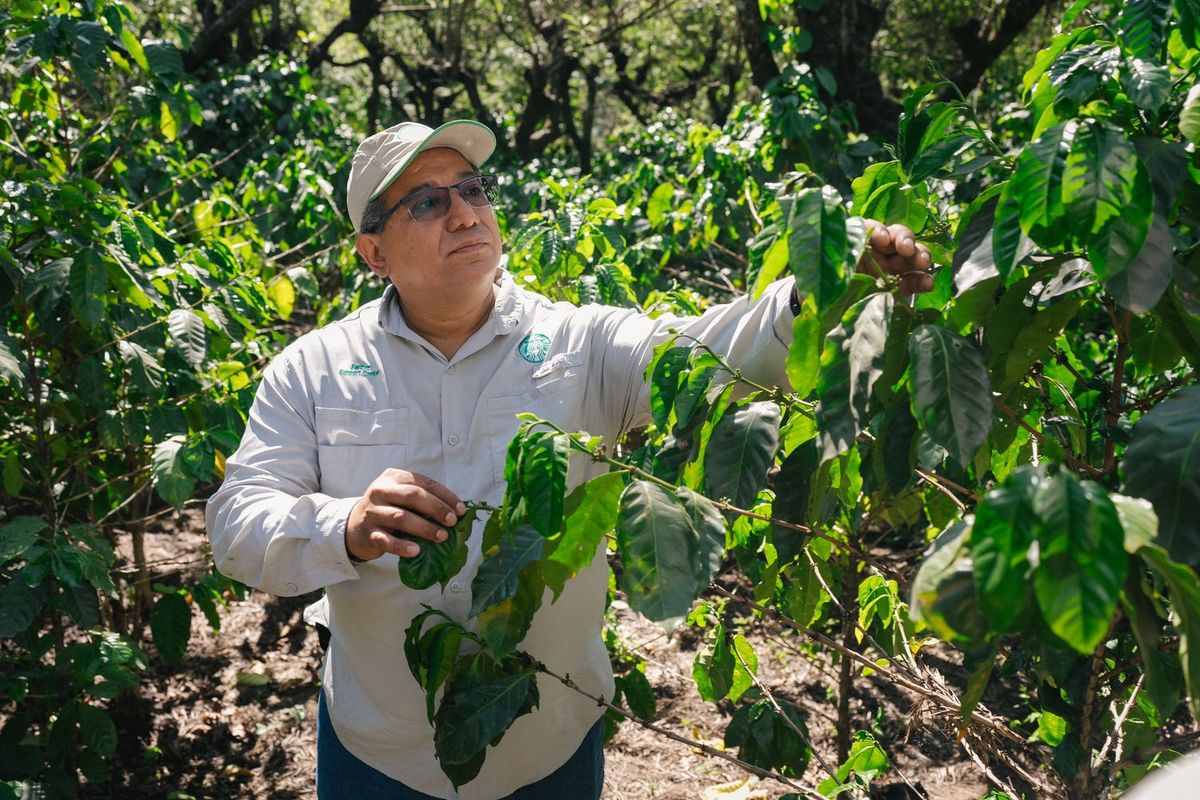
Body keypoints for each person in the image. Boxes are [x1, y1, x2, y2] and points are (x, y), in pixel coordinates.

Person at [204, 120, 932, 800]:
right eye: (426, 203)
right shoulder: (313, 368)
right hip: (382, 750)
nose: (464, 214)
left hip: (548, 744)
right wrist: (344, 525)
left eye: (472, 190)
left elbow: (706, 356)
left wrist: (820, 289)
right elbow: (238, 523)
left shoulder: (578, 343)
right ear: (373, 253)